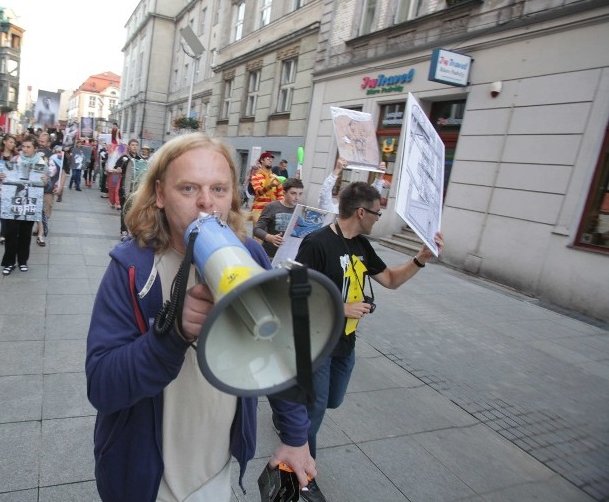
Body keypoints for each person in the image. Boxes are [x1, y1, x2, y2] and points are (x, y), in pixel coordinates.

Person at [85, 133, 317, 502]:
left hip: (215, 471)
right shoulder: (132, 268)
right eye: (189, 188)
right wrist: (172, 334)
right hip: (146, 478)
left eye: (220, 189)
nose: (207, 203)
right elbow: (102, 386)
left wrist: (295, 436)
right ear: (160, 195)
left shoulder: (252, 257)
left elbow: (278, 352)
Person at [295, 182, 444, 494]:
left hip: (345, 344)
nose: (379, 217)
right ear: (361, 212)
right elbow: (294, 294)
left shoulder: (361, 246)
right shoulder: (316, 243)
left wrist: (420, 259)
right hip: (317, 343)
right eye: (377, 211)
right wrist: (340, 306)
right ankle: (303, 476)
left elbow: (389, 280)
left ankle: (295, 414)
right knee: (316, 409)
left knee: (332, 400)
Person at [0, 136, 43, 274]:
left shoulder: (41, 163)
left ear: (35, 148)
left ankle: (23, 261)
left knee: (25, 233)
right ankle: (9, 262)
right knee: (11, 232)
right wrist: (2, 177)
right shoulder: (15, 160)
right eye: (23, 146)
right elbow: (4, 177)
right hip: (13, 202)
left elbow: (45, 183)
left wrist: (45, 179)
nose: (25, 149)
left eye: (28, 147)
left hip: (30, 203)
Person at [254, 177, 304, 258]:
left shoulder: (301, 210)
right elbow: (257, 229)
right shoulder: (272, 207)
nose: (297, 197)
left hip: (290, 256)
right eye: (293, 193)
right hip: (269, 255)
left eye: (300, 194)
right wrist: (270, 238)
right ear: (284, 193)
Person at [112, 139, 142, 238]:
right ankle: (124, 231)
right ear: (129, 147)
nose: (135, 147)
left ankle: (133, 230)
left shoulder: (140, 159)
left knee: (135, 210)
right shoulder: (124, 158)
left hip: (136, 189)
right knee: (125, 210)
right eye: (133, 145)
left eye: (136, 145)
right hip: (125, 187)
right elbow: (115, 169)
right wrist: (117, 170)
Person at [0, 134, 19, 242]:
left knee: (8, 209)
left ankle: (4, 232)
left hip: (12, 187)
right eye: (11, 142)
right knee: (0, 210)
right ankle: (4, 230)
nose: (12, 144)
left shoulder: (16, 156)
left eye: (14, 142)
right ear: (5, 142)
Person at [250, 151, 284, 224]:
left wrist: (278, 209)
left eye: (271, 159)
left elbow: (281, 195)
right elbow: (258, 192)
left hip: (272, 211)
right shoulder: (255, 176)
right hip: (259, 211)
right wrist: (270, 186)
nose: (271, 160)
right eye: (268, 159)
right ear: (262, 160)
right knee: (258, 234)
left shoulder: (275, 177)